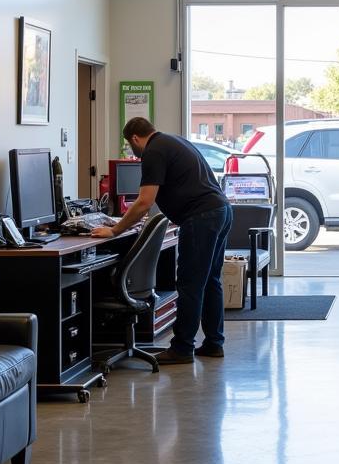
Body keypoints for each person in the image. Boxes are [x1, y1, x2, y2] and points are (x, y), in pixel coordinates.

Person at [91, 117, 233, 364]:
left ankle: (182, 348)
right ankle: (213, 343)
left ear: (135, 138)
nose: (132, 152)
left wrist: (115, 230)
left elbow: (145, 201)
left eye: (129, 145)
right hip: (220, 210)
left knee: (190, 283)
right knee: (210, 280)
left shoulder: (153, 152)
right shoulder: (173, 141)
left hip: (202, 217)